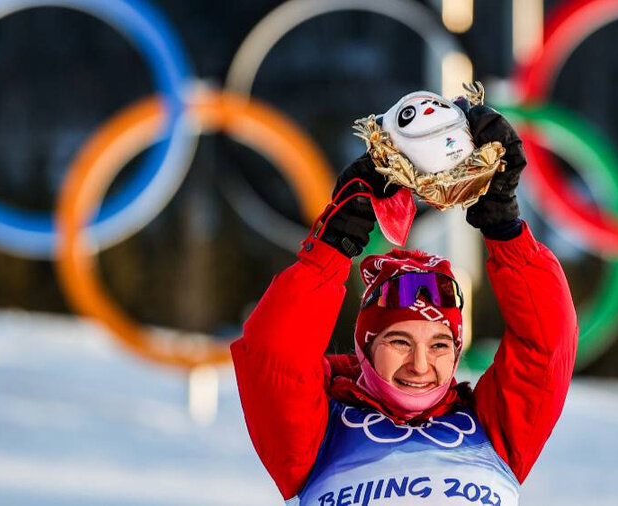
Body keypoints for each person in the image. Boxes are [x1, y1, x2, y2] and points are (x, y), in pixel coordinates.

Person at [231, 102, 578, 505]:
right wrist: (334, 244)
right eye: (399, 342)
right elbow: (276, 355)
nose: (419, 365)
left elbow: (548, 343)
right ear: (365, 347)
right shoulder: (316, 439)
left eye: (439, 345)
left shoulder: (496, 431)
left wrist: (505, 226)